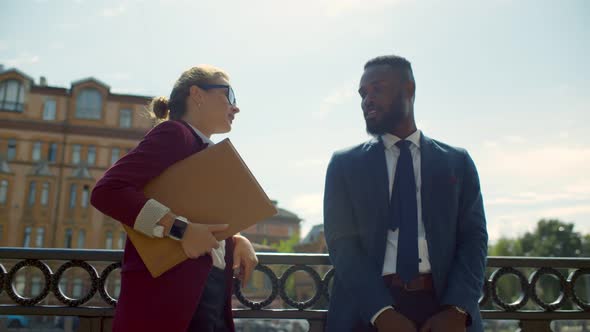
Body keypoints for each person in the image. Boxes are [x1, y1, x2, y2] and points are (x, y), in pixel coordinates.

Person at [323, 55, 488, 332]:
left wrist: (457, 309)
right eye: (363, 94)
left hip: (444, 310)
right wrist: (381, 312)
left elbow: (474, 238)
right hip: (367, 314)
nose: (367, 99)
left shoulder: (457, 161)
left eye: (378, 89)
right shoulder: (344, 164)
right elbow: (342, 244)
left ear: (409, 89)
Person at [91, 65, 258, 332]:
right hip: (170, 305)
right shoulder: (176, 133)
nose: (236, 107)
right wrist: (180, 229)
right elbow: (107, 192)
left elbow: (194, 213)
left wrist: (235, 239)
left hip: (204, 298)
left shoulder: (204, 148)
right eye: (230, 95)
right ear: (197, 94)